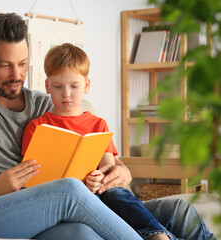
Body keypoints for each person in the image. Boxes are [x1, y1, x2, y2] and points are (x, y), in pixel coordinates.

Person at [0, 13, 214, 240]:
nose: (15, 75)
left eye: (24, 64)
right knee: (68, 195)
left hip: (1, 206)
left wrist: (117, 171)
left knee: (177, 210)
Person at [22, 43, 177, 240]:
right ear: (47, 86)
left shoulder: (98, 124)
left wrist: (97, 181)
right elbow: (31, 178)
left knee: (117, 194)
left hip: (98, 196)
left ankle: (157, 235)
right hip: (59, 200)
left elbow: (108, 171)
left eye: (74, 86)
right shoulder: (37, 127)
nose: (66, 94)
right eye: (58, 86)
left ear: (86, 85)